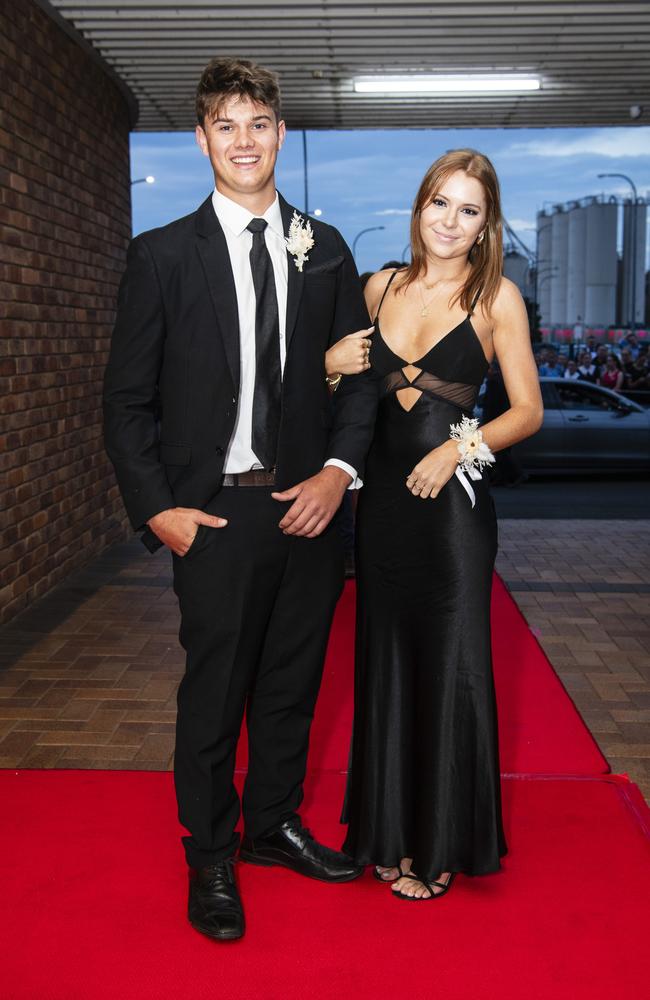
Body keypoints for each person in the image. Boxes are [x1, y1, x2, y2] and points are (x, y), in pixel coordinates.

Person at [103, 57, 375, 942]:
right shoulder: (161, 257)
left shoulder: (326, 248)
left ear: (281, 136)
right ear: (201, 139)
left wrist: (339, 475)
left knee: (293, 682)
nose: (245, 140)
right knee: (216, 692)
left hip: (308, 506)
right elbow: (125, 402)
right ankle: (211, 850)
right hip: (212, 515)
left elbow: (359, 381)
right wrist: (158, 511)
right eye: (227, 124)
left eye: (260, 123)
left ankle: (273, 824)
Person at [339, 149, 542, 900]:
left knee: (452, 665)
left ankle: (443, 844)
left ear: (486, 225)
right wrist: (333, 367)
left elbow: (528, 411)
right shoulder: (377, 286)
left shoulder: (499, 298)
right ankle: (389, 833)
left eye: (469, 210)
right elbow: (349, 396)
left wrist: (459, 448)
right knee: (385, 662)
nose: (450, 222)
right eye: (439, 203)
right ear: (418, 205)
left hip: (454, 514)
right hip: (384, 509)